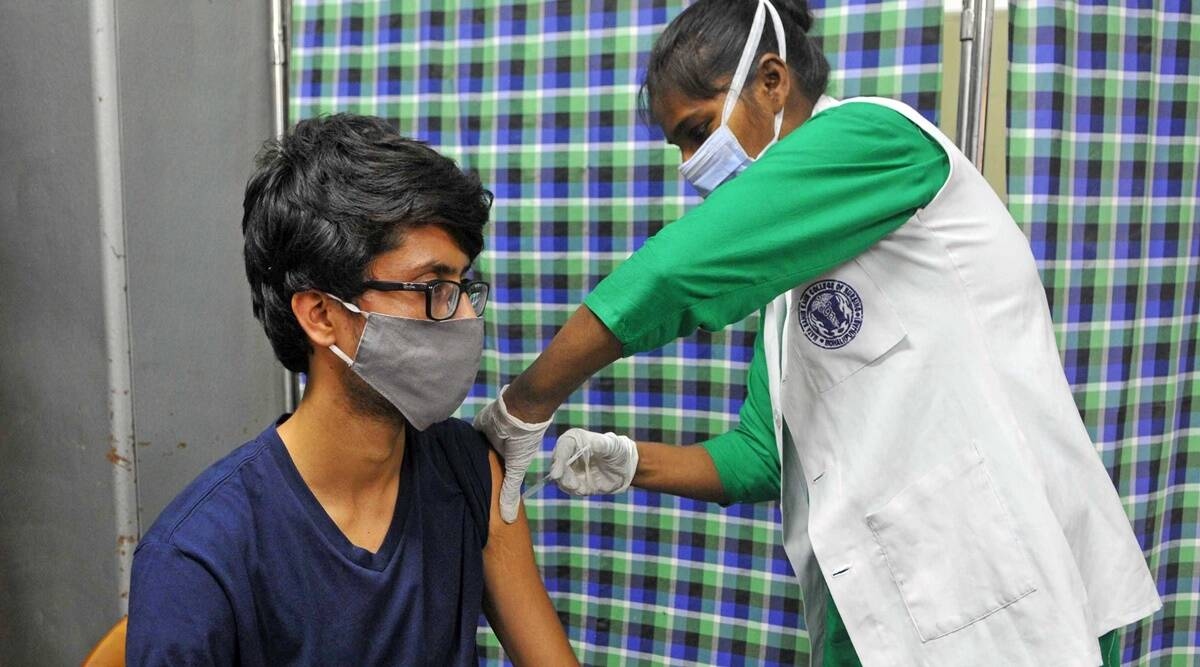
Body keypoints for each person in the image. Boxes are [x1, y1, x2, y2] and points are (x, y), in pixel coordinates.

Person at [472, 1, 1161, 665]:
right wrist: (627, 460)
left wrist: (526, 402)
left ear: (772, 82)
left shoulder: (876, 139)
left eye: (698, 128)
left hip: (1001, 588)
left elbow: (675, 274)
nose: (689, 163)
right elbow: (763, 457)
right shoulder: (788, 292)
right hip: (880, 614)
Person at [127, 114, 577, 666]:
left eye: (464, 286)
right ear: (321, 315)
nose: (461, 314)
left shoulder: (467, 472)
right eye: (433, 287)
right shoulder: (199, 556)